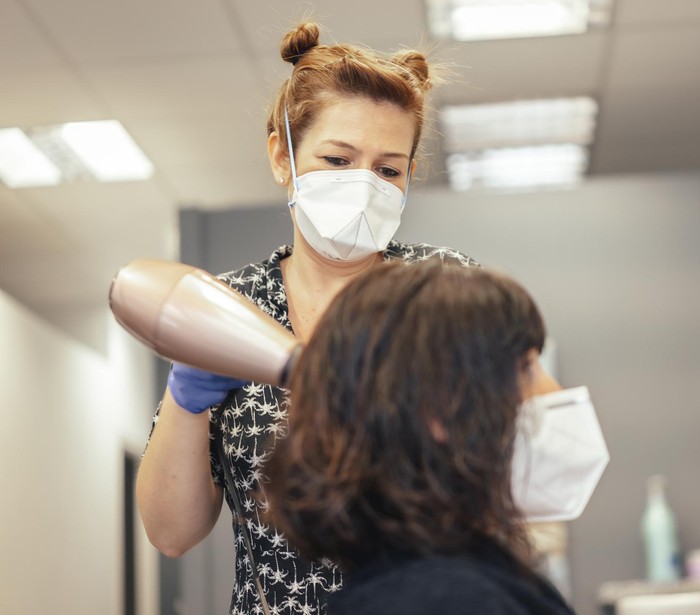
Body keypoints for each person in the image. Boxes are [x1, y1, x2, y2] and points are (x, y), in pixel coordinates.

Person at [135, 22, 480, 614]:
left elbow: (513, 470)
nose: (364, 185)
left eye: (388, 169)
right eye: (338, 159)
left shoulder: (442, 288)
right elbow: (171, 534)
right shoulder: (225, 309)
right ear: (282, 156)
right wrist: (187, 397)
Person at [264, 261, 574, 615]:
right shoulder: (449, 602)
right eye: (526, 368)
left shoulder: (442, 584)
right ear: (440, 409)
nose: (555, 392)